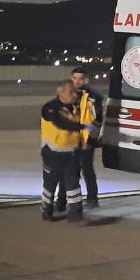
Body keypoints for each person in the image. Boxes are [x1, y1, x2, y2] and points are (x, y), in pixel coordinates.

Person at [40, 79, 98, 223]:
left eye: (75, 91)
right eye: (71, 91)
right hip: (53, 152)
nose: (74, 94)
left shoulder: (76, 107)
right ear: (61, 93)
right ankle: (47, 211)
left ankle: (76, 214)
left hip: (71, 152)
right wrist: (82, 127)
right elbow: (61, 124)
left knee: (73, 185)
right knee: (50, 184)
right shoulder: (50, 108)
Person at [64, 67, 104, 209]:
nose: (77, 81)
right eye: (74, 78)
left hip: (87, 139)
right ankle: (73, 200)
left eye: (81, 78)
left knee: (87, 170)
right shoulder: (68, 94)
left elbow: (98, 119)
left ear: (86, 79)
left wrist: (90, 137)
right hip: (72, 138)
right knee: (71, 170)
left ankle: (92, 199)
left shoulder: (94, 96)